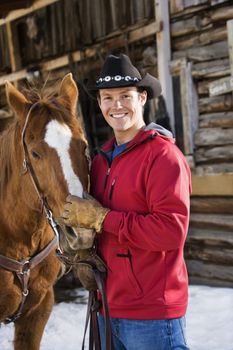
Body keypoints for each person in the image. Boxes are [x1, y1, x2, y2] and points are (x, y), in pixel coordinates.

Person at [62, 54, 191, 350]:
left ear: (142, 97)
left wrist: (101, 219)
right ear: (99, 103)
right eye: (107, 97)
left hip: (152, 315)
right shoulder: (99, 160)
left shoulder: (163, 157)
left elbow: (170, 231)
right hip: (107, 307)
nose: (116, 105)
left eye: (125, 96)